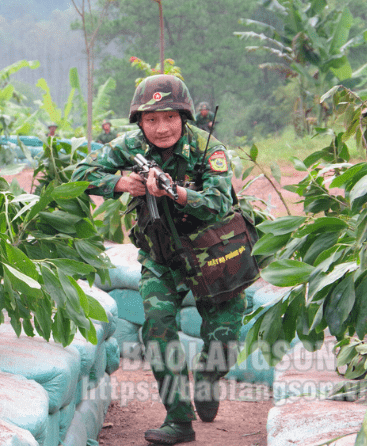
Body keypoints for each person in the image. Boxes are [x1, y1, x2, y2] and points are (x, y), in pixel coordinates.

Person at [71, 74, 245, 445]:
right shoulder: (131, 145)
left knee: (224, 336)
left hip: (213, 255)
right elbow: (81, 172)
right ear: (140, 123)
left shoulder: (208, 149)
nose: (161, 128)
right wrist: (121, 183)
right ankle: (179, 420)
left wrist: (177, 192)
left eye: (170, 117)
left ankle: (209, 379)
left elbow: (218, 202)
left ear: (184, 116)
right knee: (158, 326)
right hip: (161, 256)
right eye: (151, 120)